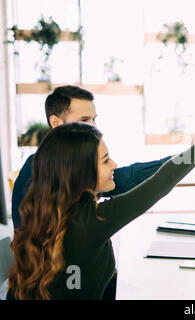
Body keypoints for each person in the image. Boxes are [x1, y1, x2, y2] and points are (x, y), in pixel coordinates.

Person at [7, 88, 195, 300]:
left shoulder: (66, 209)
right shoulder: (88, 222)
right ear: (82, 174)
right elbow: (162, 181)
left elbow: (138, 177)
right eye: (105, 161)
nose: (114, 165)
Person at [12, 85, 172, 229]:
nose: (94, 126)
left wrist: (186, 157)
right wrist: (187, 157)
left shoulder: (70, 164)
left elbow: (122, 180)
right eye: (84, 120)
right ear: (55, 122)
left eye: (93, 119)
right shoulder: (42, 168)